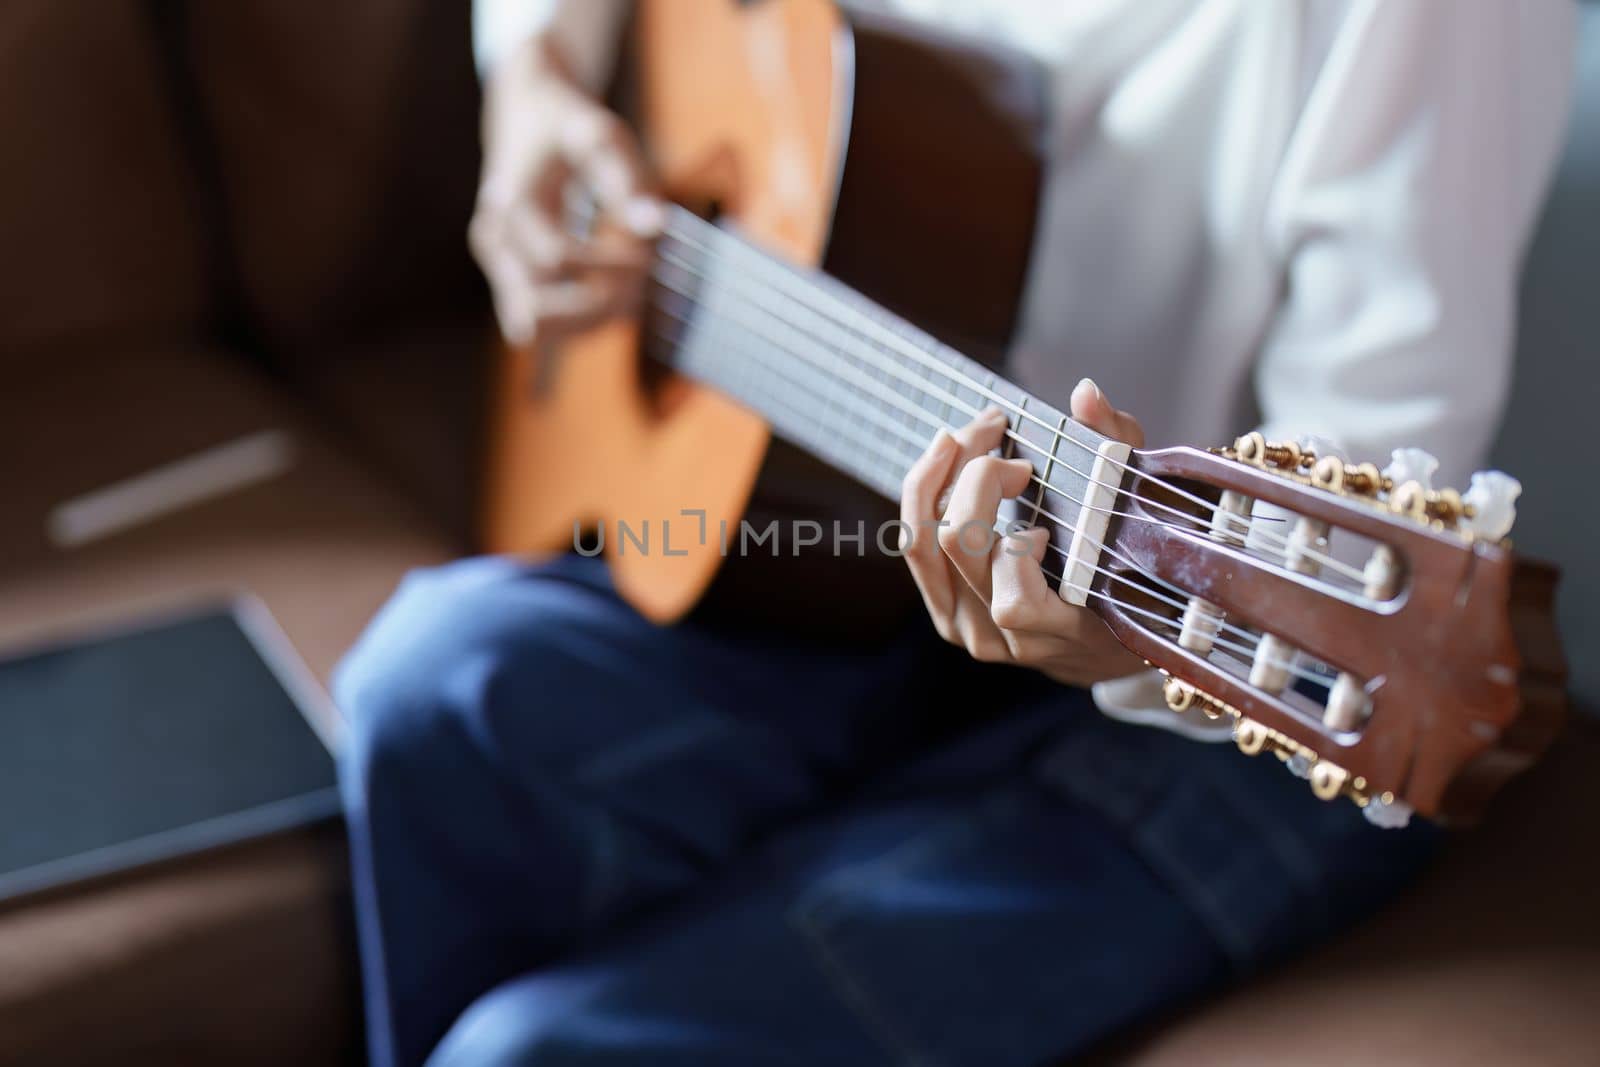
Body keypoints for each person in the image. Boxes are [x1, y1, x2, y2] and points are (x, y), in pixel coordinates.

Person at [336, 1, 1577, 1064]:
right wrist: (539, 86)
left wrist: (1123, 646)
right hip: (843, 559)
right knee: (430, 676)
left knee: (527, 1052)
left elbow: (1359, 568)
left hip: (1220, 701)